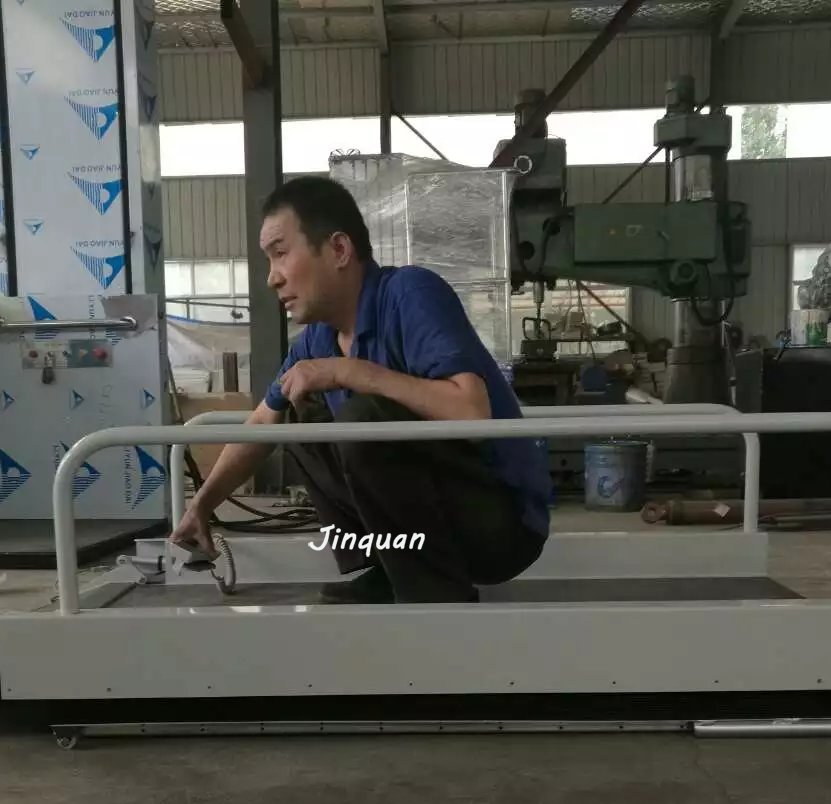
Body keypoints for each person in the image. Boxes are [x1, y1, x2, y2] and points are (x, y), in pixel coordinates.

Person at [171, 175, 551, 603]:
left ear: (338, 249)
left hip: (501, 523)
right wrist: (201, 507)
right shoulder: (317, 340)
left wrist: (351, 372)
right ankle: (390, 568)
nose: (271, 278)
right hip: (437, 527)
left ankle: (434, 591)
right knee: (294, 415)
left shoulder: (410, 294)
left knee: (364, 419)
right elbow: (261, 424)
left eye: (280, 253)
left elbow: (471, 411)